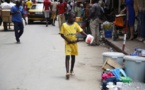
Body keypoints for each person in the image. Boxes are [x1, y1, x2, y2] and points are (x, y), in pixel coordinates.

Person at [59, 12, 87, 80]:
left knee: (73, 57)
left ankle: (71, 70)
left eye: (75, 17)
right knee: (67, 56)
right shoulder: (64, 25)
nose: (74, 19)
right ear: (69, 17)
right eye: (73, 17)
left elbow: (81, 31)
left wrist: (87, 35)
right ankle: (67, 72)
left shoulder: (75, 24)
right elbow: (62, 34)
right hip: (68, 44)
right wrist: (67, 39)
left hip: (74, 43)